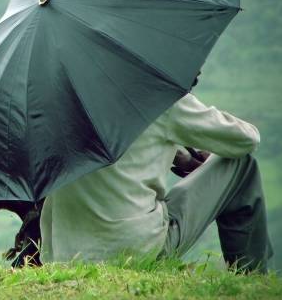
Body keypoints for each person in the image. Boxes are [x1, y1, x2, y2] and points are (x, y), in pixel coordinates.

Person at [39, 90, 274, 273]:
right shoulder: (159, 98)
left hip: (63, 255)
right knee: (242, 165)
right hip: (135, 251)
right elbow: (247, 139)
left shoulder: (59, 101)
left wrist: (172, 153)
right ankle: (252, 276)